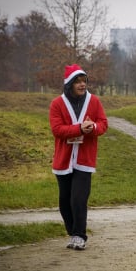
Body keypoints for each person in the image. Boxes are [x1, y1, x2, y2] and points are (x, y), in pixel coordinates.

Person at [49, 64, 108, 250]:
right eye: (78, 82)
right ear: (69, 84)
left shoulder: (94, 101)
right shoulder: (57, 104)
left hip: (84, 160)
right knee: (65, 202)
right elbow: (57, 129)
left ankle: (79, 235)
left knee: (78, 199)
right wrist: (78, 128)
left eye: (84, 81)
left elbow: (103, 124)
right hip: (63, 160)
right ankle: (72, 231)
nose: (82, 85)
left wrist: (94, 128)